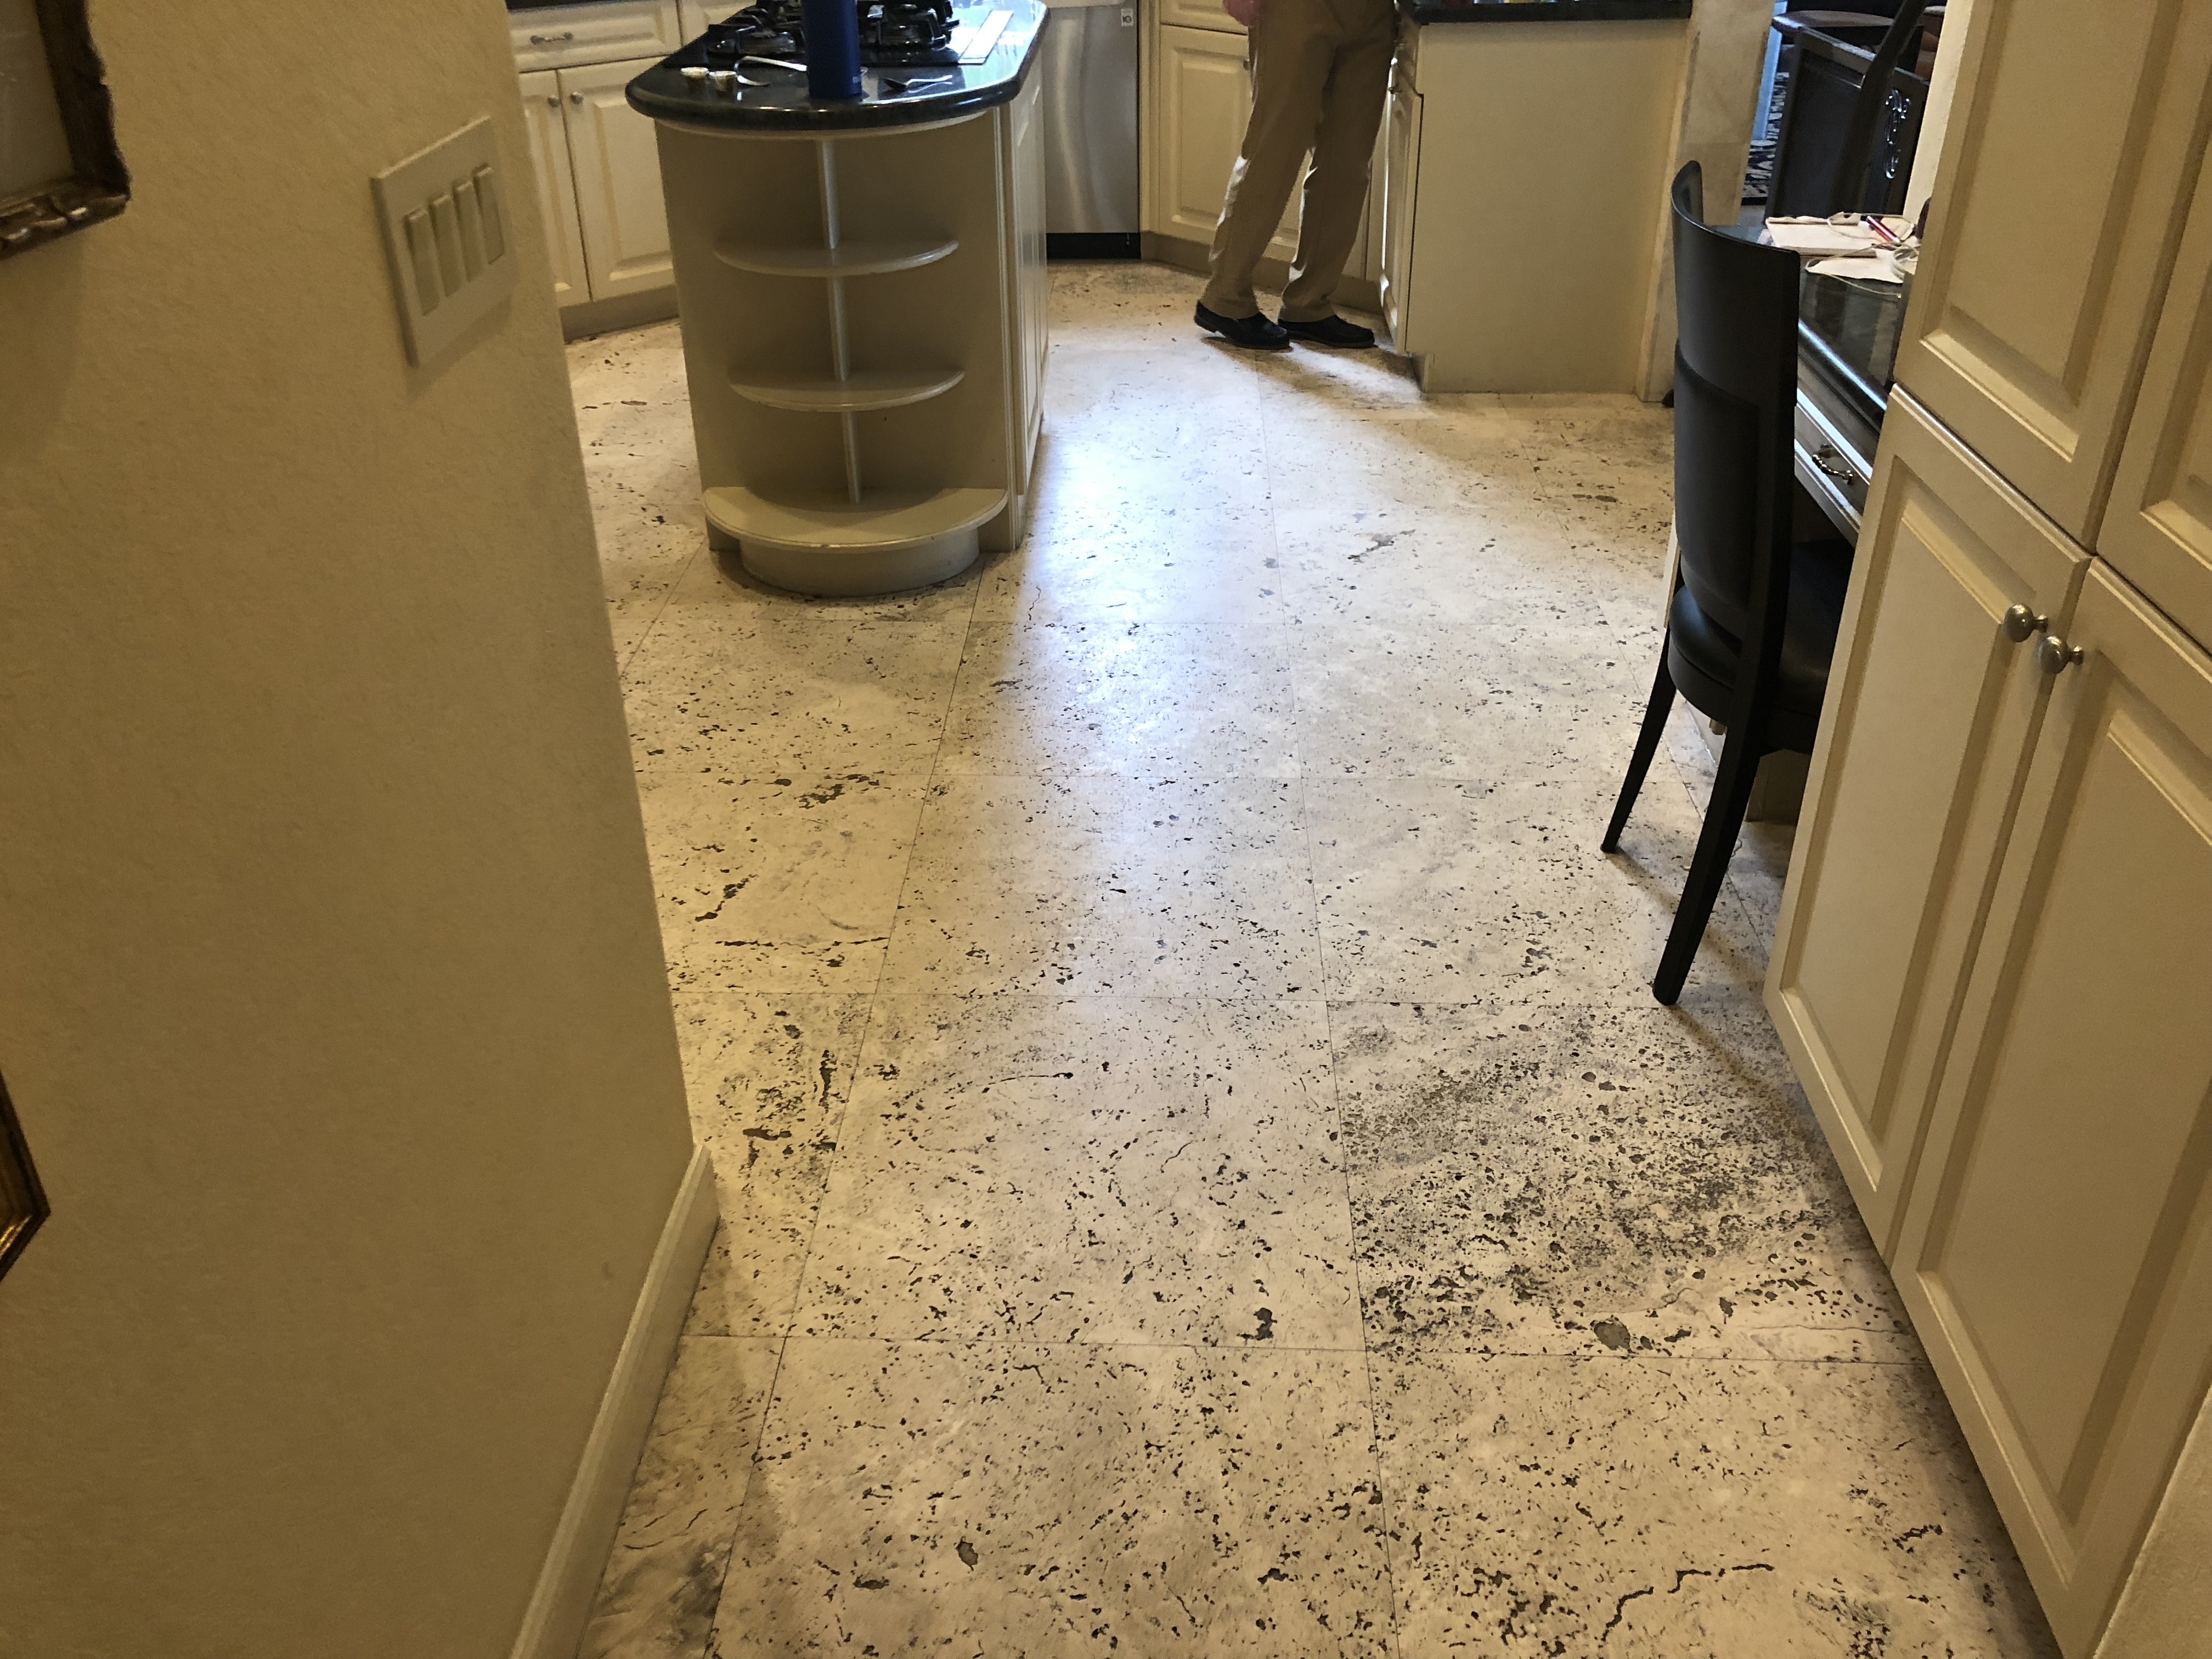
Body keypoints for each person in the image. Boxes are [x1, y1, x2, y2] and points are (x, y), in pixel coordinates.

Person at [1194, 0, 1396, 352]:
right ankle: (1226, 297)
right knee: (1275, 148)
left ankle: (1309, 304)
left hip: (1375, 13)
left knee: (1347, 163)